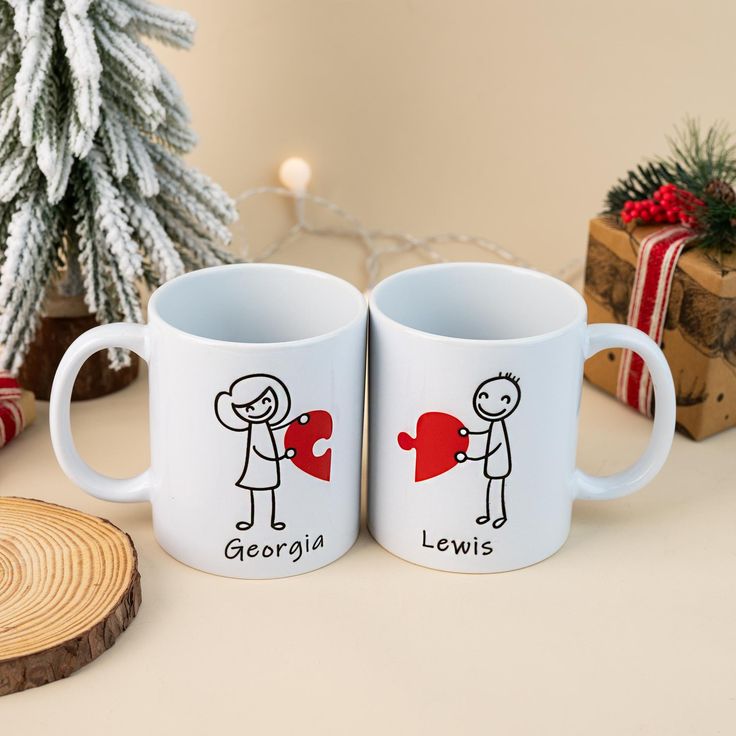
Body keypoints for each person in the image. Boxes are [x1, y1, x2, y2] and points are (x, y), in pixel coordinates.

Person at [215, 374, 308, 531]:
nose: (259, 409)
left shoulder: (263, 426)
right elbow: (259, 450)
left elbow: (276, 428)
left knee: (268, 493)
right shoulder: (255, 430)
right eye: (249, 408)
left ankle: (270, 522)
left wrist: (296, 420)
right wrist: (281, 456)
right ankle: (253, 522)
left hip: (267, 468)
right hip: (258, 466)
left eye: (265, 401)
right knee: (257, 494)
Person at [455, 373, 521, 529]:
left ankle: (500, 516)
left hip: (499, 464)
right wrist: (469, 433)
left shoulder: (499, 425)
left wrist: (471, 458)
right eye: (483, 396)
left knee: (498, 489)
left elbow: (495, 447)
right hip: (492, 464)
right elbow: (487, 435)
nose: (484, 402)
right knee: (492, 488)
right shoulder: (495, 424)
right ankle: (490, 514)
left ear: (507, 402)